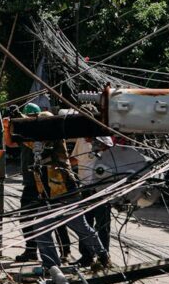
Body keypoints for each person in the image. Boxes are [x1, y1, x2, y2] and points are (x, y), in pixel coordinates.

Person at [33, 112, 111, 270]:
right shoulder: (38, 140)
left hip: (66, 191)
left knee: (82, 228)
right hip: (50, 195)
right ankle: (51, 264)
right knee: (41, 228)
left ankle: (102, 255)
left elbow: (47, 152)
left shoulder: (55, 139)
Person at [70, 136, 114, 267]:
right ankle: (87, 256)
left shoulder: (103, 136)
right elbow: (75, 159)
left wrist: (95, 140)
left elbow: (110, 151)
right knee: (84, 224)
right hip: (84, 187)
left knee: (102, 226)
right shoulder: (80, 140)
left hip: (101, 188)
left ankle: (103, 257)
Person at [14, 102, 43, 262]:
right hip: (30, 182)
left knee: (30, 218)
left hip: (37, 183)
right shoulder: (25, 133)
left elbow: (28, 141)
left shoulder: (38, 134)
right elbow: (10, 142)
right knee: (29, 218)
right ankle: (32, 250)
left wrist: (17, 119)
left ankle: (35, 251)